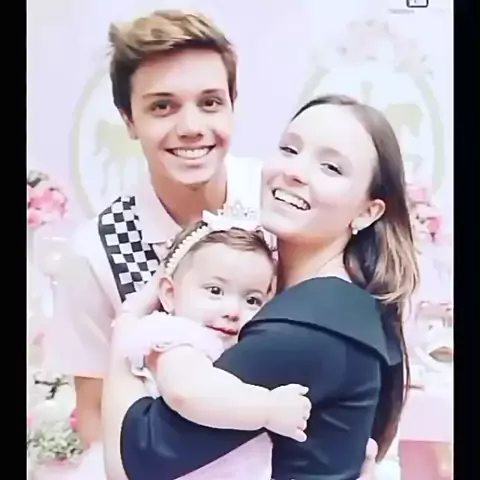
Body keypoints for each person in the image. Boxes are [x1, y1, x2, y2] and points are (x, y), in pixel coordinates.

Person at [44, 8, 377, 477]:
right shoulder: (97, 251)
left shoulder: (281, 202)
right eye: (162, 106)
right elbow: (95, 414)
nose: (191, 127)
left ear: (233, 105)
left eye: (210, 102)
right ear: (128, 119)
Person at [102, 94, 420, 480]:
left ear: (368, 211)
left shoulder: (310, 325)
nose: (296, 172)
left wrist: (128, 333)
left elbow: (130, 464)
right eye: (289, 149)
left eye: (331, 167)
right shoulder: (337, 304)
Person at [119, 215, 312, 479]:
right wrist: (269, 409)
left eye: (252, 300)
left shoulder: (242, 344)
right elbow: (186, 391)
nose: (232, 310)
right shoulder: (175, 338)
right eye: (215, 290)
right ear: (169, 294)